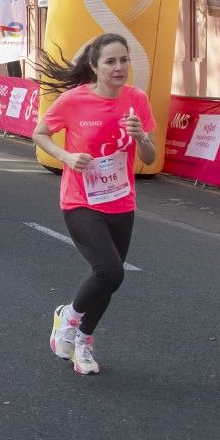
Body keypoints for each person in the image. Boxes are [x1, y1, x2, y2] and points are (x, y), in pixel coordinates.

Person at [32, 32, 157, 376]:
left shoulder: (137, 100)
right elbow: (40, 134)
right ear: (94, 66)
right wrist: (67, 156)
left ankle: (84, 343)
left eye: (124, 60)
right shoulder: (74, 101)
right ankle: (68, 316)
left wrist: (141, 136)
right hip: (80, 200)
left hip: (120, 201)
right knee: (109, 271)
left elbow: (150, 156)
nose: (119, 68)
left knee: (107, 280)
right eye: (110, 61)